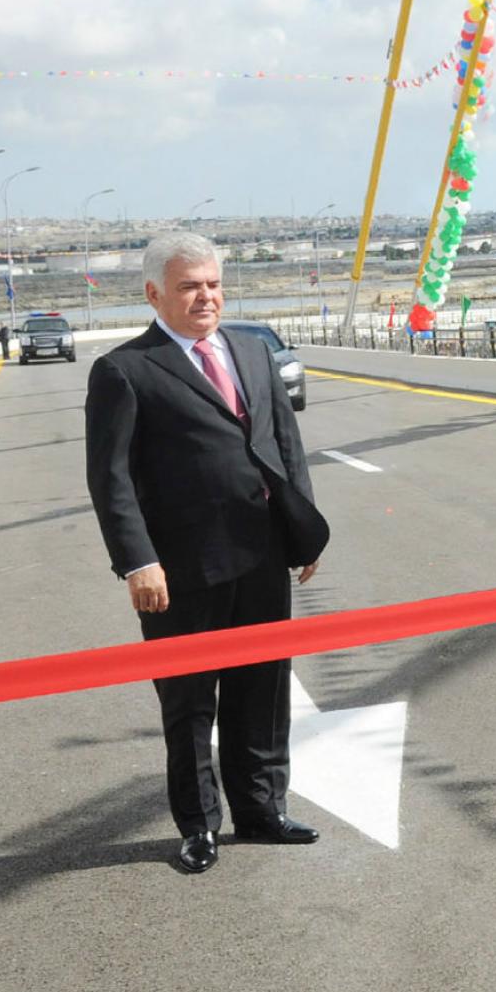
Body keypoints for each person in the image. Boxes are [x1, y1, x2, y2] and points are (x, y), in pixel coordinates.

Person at [84, 232, 330, 874]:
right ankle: (198, 826)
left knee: (263, 688)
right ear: (154, 294)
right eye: (191, 286)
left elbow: (284, 444)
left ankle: (262, 810)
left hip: (262, 554)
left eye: (214, 284)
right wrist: (138, 562)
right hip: (180, 570)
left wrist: (303, 530)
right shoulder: (124, 370)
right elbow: (110, 480)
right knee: (190, 701)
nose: (206, 297)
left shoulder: (251, 352)